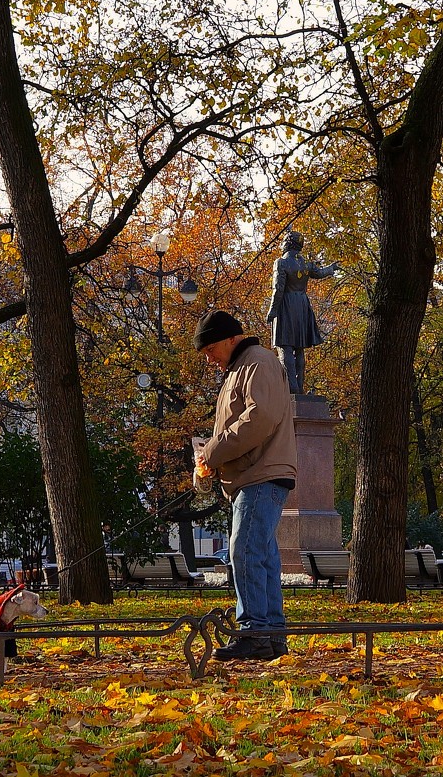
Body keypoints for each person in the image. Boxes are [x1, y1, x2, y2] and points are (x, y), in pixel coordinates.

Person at [192, 309, 297, 661]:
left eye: (210, 350)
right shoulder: (244, 367)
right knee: (262, 555)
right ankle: (270, 635)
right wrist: (211, 456)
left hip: (260, 474)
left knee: (245, 551)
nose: (209, 359)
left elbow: (258, 419)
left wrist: (212, 452)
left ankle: (254, 631)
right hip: (257, 474)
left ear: (230, 339)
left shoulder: (257, 363)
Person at [266, 229, 339, 394]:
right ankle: (299, 386)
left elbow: (278, 289)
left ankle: (291, 389)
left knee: (284, 347)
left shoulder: (281, 263)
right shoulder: (305, 263)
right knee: (299, 348)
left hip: (286, 305)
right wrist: (331, 268)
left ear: (287, 243)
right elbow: (319, 273)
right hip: (302, 306)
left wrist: (272, 310)